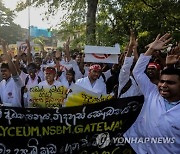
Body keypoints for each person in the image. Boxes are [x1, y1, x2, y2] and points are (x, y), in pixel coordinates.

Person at [124, 33, 180, 153]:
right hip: (137, 148)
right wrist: (151, 49)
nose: (164, 85)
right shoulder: (152, 93)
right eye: (162, 81)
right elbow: (137, 72)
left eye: (170, 83)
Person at [0, 39, 23, 107]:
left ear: (10, 71)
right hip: (5, 114)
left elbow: (14, 70)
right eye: (1, 71)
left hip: (16, 113)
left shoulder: (16, 81)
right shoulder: (1, 83)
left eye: (5, 71)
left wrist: (4, 49)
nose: (3, 73)